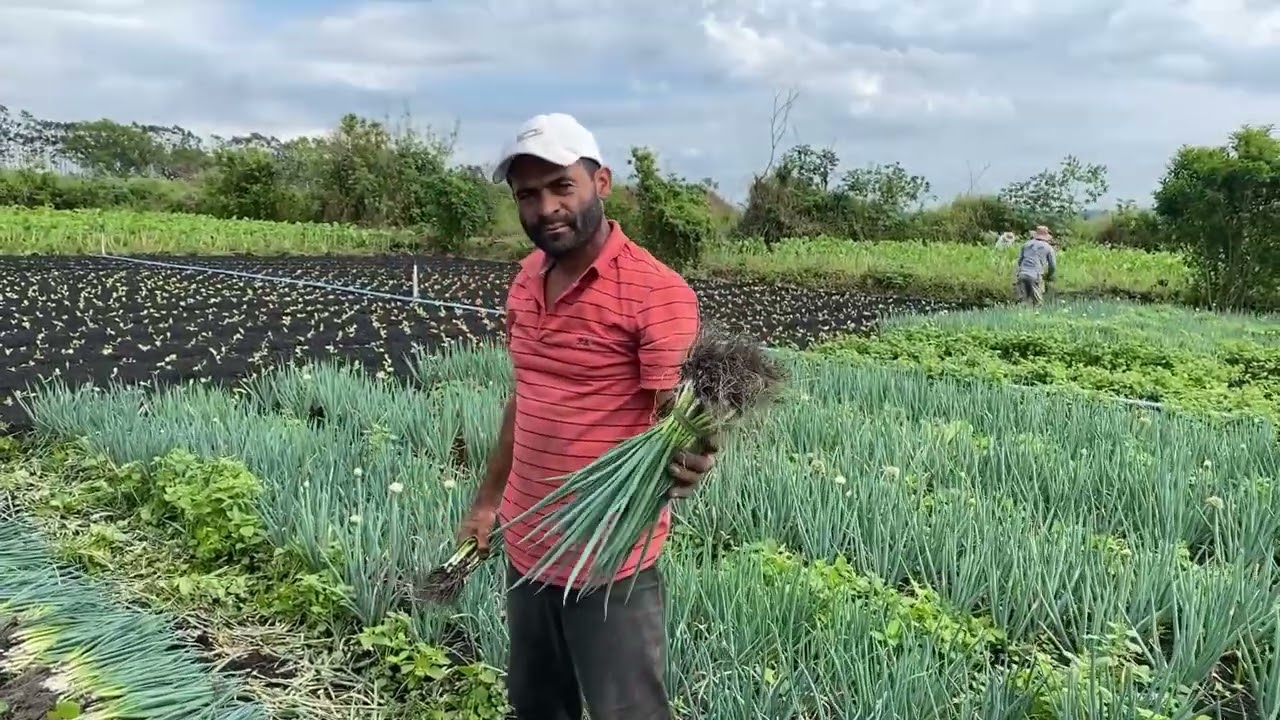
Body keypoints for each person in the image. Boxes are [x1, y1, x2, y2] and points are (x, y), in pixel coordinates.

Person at [455, 112, 718, 720]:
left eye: (561, 186)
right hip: (525, 540)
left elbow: (674, 424)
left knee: (627, 711)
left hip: (608, 557)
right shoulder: (525, 278)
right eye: (528, 194)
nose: (545, 206)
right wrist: (488, 501)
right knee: (536, 702)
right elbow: (525, 397)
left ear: (600, 182)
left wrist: (696, 452)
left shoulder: (657, 292)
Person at [1013, 225, 1057, 305]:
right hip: (1035, 275)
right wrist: (1049, 275)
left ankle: (1021, 315)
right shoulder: (1048, 248)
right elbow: (1052, 266)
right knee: (1037, 302)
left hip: (1022, 274)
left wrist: (1016, 275)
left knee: (1022, 301)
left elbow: (1019, 261)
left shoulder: (1026, 244)